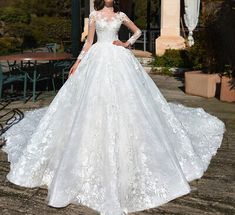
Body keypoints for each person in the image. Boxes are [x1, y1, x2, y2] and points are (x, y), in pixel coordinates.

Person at [1, 0, 226, 215]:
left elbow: (137, 31)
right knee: (91, 103)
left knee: (130, 103)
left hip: (119, 59)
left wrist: (126, 43)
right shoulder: (94, 16)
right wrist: (78, 63)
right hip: (97, 59)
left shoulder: (121, 15)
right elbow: (89, 43)